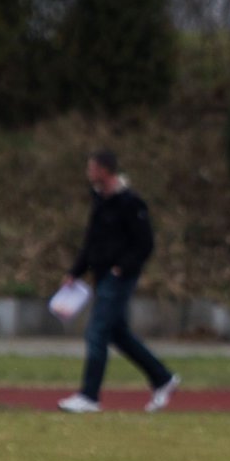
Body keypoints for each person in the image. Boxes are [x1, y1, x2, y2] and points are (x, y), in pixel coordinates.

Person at [57, 150, 180, 414]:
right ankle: (163, 378)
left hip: (119, 278)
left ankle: (89, 396)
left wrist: (120, 268)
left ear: (105, 170)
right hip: (101, 276)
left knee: (97, 331)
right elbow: (91, 242)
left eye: (92, 168)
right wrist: (75, 272)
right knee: (118, 334)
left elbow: (145, 244)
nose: (88, 173)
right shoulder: (99, 201)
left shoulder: (131, 203)